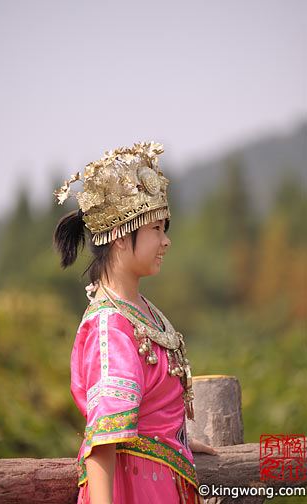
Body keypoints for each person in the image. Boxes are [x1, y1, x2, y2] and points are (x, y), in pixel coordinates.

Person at [53, 142, 216, 504]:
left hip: (159, 478)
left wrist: (175, 440)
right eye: (156, 229)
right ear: (122, 240)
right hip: (134, 488)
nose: (166, 240)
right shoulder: (110, 325)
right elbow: (103, 439)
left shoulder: (142, 310)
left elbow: (150, 411)